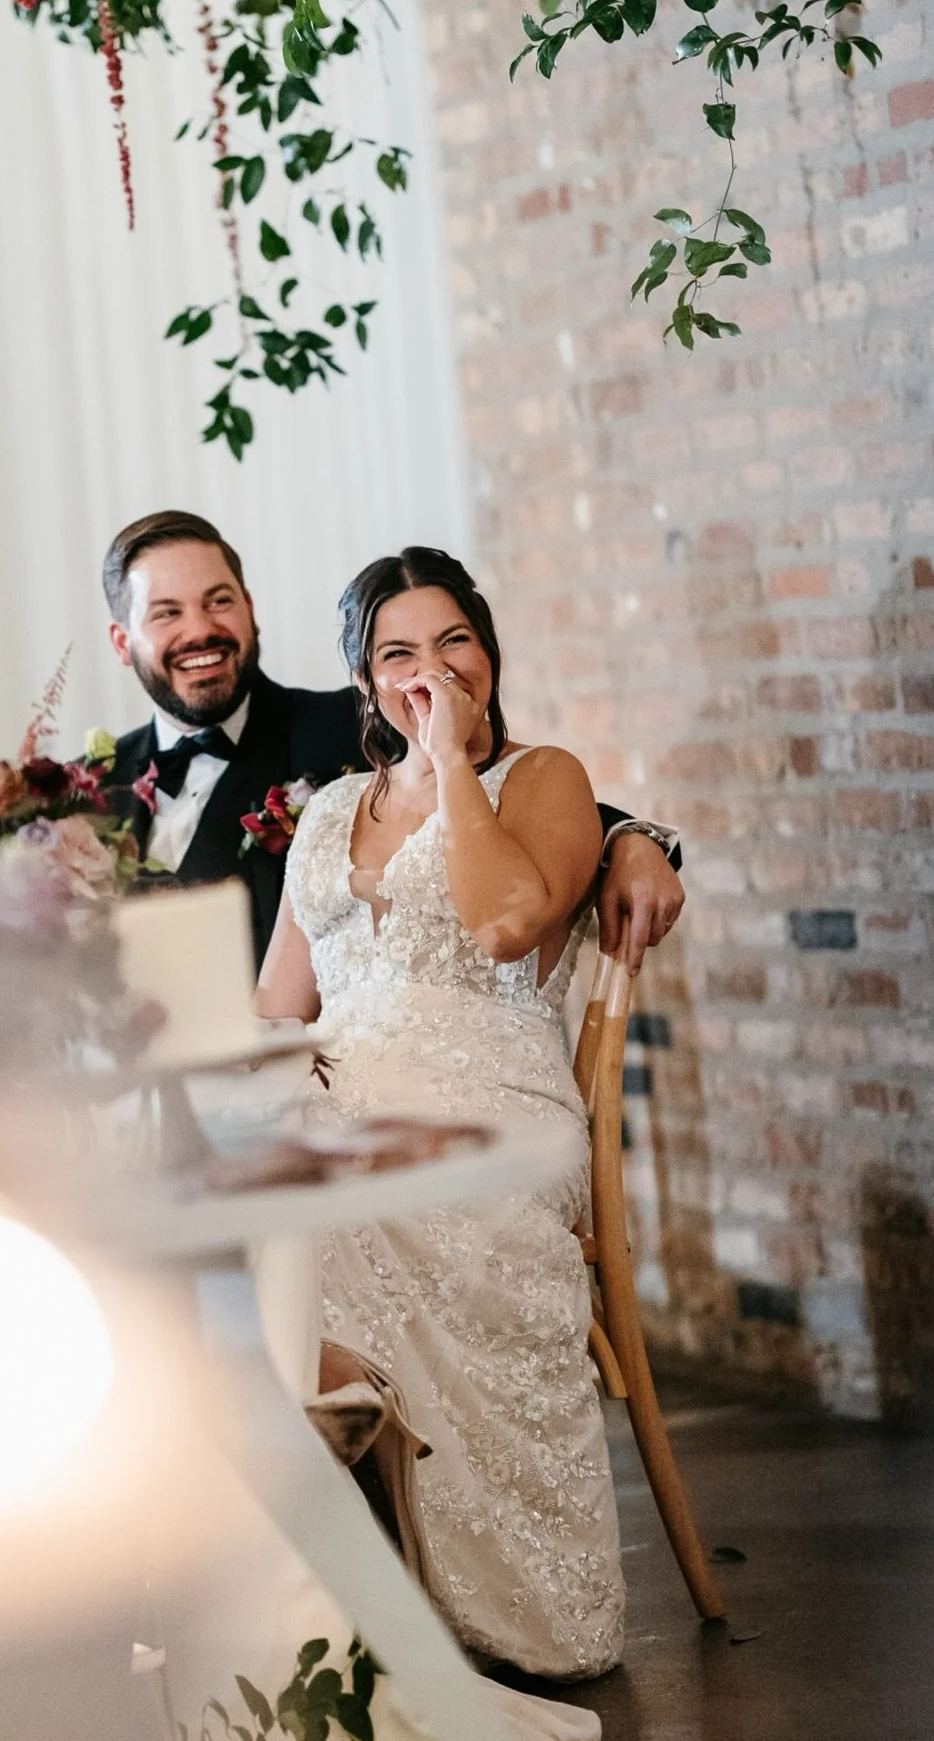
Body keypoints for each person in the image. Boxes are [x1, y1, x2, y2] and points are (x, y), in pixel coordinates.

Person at [255, 548, 629, 1680]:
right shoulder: (325, 813)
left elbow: (509, 922)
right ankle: (346, 1582)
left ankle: (403, 1581)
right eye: (397, 654)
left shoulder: (543, 777)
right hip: (343, 1097)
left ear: (490, 653)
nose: (430, 671)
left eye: (452, 642)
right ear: (363, 681)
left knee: (309, 1220)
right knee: (239, 1193)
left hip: (491, 1103)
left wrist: (451, 765)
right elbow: (279, 1001)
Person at [100, 510, 682, 970]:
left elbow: (507, 790)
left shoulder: (355, 721)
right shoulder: (79, 794)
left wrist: (630, 839)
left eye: (218, 601)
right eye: (167, 613)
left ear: (250, 610)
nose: (201, 629)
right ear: (122, 641)